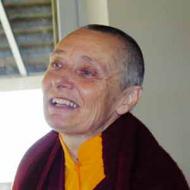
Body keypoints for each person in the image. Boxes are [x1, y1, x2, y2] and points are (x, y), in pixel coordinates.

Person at [13, 24, 189, 190]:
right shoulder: (34, 165)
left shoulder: (154, 178)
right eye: (57, 64)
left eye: (87, 72)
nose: (59, 80)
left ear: (127, 99)